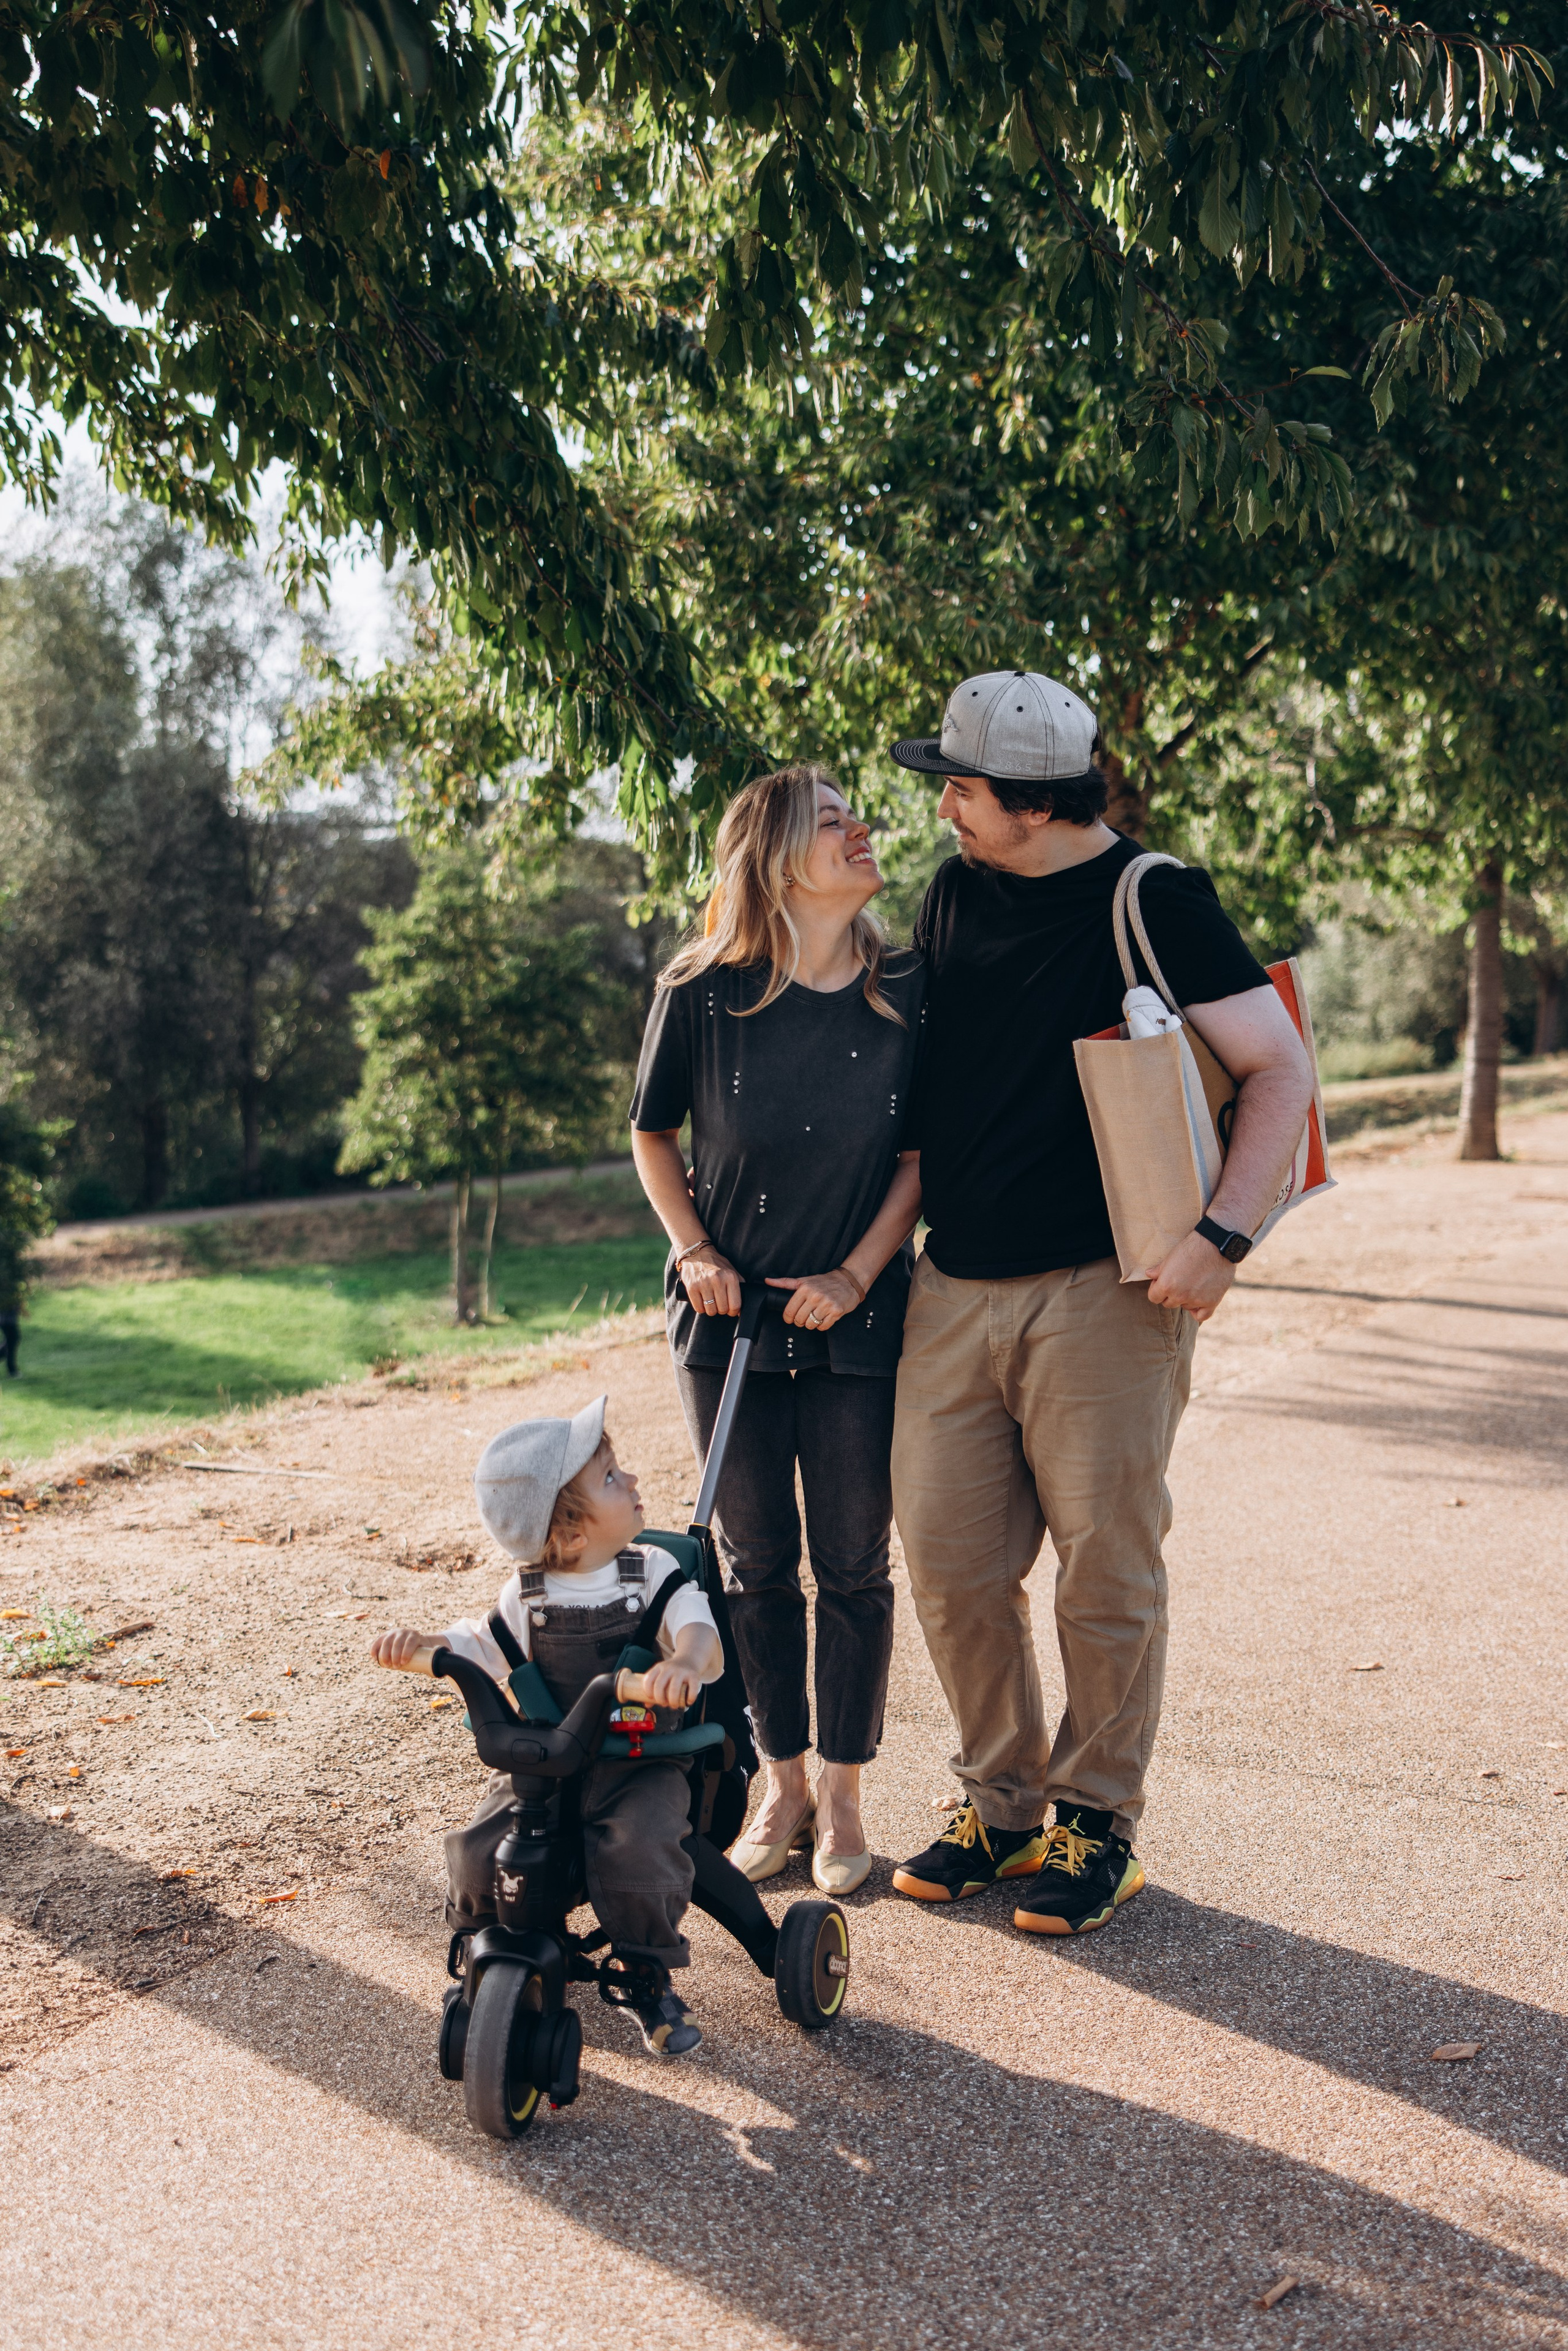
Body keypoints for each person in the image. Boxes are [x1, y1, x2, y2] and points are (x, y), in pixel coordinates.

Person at [886, 670, 1314, 1934]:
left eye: (960, 788)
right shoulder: (956, 890)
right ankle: (1000, 1806)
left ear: (1031, 803)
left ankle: (1094, 1821)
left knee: (1104, 1574)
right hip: (952, 1287)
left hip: (1106, 1293)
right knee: (952, 1569)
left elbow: (1278, 1068)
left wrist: (1222, 1237)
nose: (945, 807)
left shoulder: (1155, 899)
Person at [630, 765, 924, 1896]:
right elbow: (653, 1133)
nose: (861, 829)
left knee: (852, 1561)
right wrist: (695, 1249)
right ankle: (779, 1781)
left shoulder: (907, 987)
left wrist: (855, 1274)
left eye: (857, 815)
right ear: (777, 858)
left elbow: (918, 1158)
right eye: (833, 820)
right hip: (729, 1320)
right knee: (754, 1563)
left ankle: (843, 1791)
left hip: (857, 1315)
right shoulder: (700, 989)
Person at [370, 1398, 722, 2056]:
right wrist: (427, 1647)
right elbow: (479, 1644)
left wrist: (683, 1663)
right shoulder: (527, 1596)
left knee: (640, 1849)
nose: (632, 1480)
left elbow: (699, 1630)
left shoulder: (653, 1571)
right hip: (549, 1766)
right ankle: (483, 1952)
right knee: (478, 1850)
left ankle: (644, 1972)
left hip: (638, 1762)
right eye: (611, 1477)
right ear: (572, 1533)